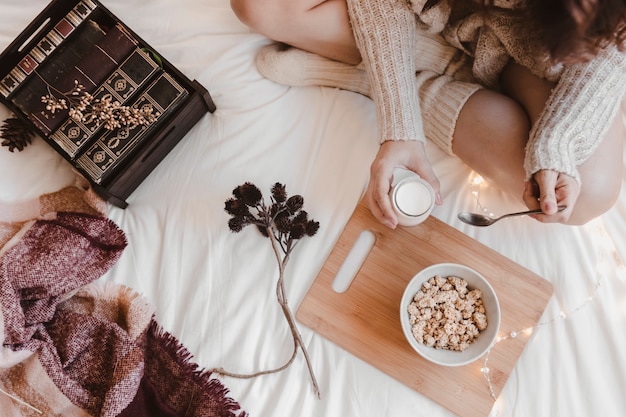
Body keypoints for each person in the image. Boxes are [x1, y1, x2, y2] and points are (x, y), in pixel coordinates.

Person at [230, 0, 626, 228]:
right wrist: (399, 124)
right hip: (420, 13)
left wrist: (555, 145)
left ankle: (369, 74)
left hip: (531, 56)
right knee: (260, 5)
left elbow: (610, 50)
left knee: (584, 192)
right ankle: (415, 63)